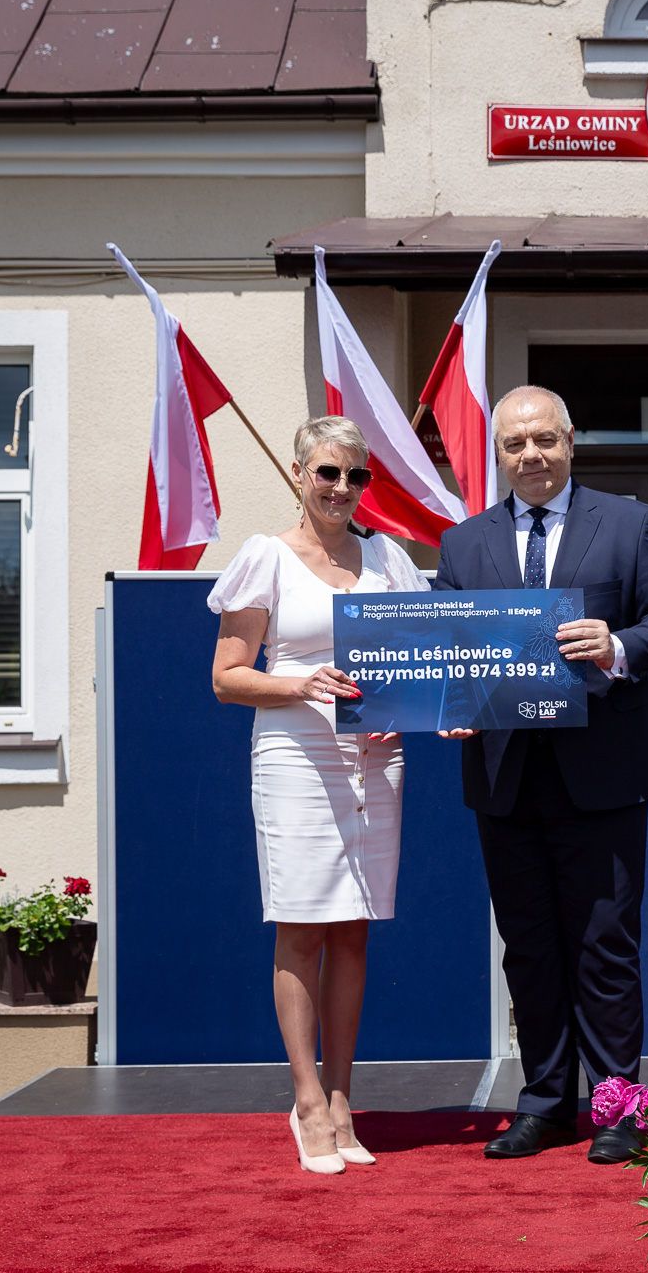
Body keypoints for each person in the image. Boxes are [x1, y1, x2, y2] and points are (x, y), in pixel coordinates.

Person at [434, 385, 648, 1164]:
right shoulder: (462, 544)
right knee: (529, 947)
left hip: (604, 771)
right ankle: (546, 1104)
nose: (531, 455)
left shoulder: (628, 523)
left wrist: (617, 646)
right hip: (505, 773)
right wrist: (446, 700)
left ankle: (617, 1108)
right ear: (497, 454)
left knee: (604, 945)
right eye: (515, 444)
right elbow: (445, 648)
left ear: (571, 440)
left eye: (545, 440)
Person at [208, 414, 429, 1176]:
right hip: (296, 759)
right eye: (327, 472)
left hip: (377, 759)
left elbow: (416, 665)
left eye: (355, 475)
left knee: (355, 932)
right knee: (302, 926)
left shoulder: (390, 558)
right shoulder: (265, 556)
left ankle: (342, 1100)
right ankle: (306, 1101)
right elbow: (227, 677)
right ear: (300, 474)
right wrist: (302, 684)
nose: (341, 487)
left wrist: (422, 711)